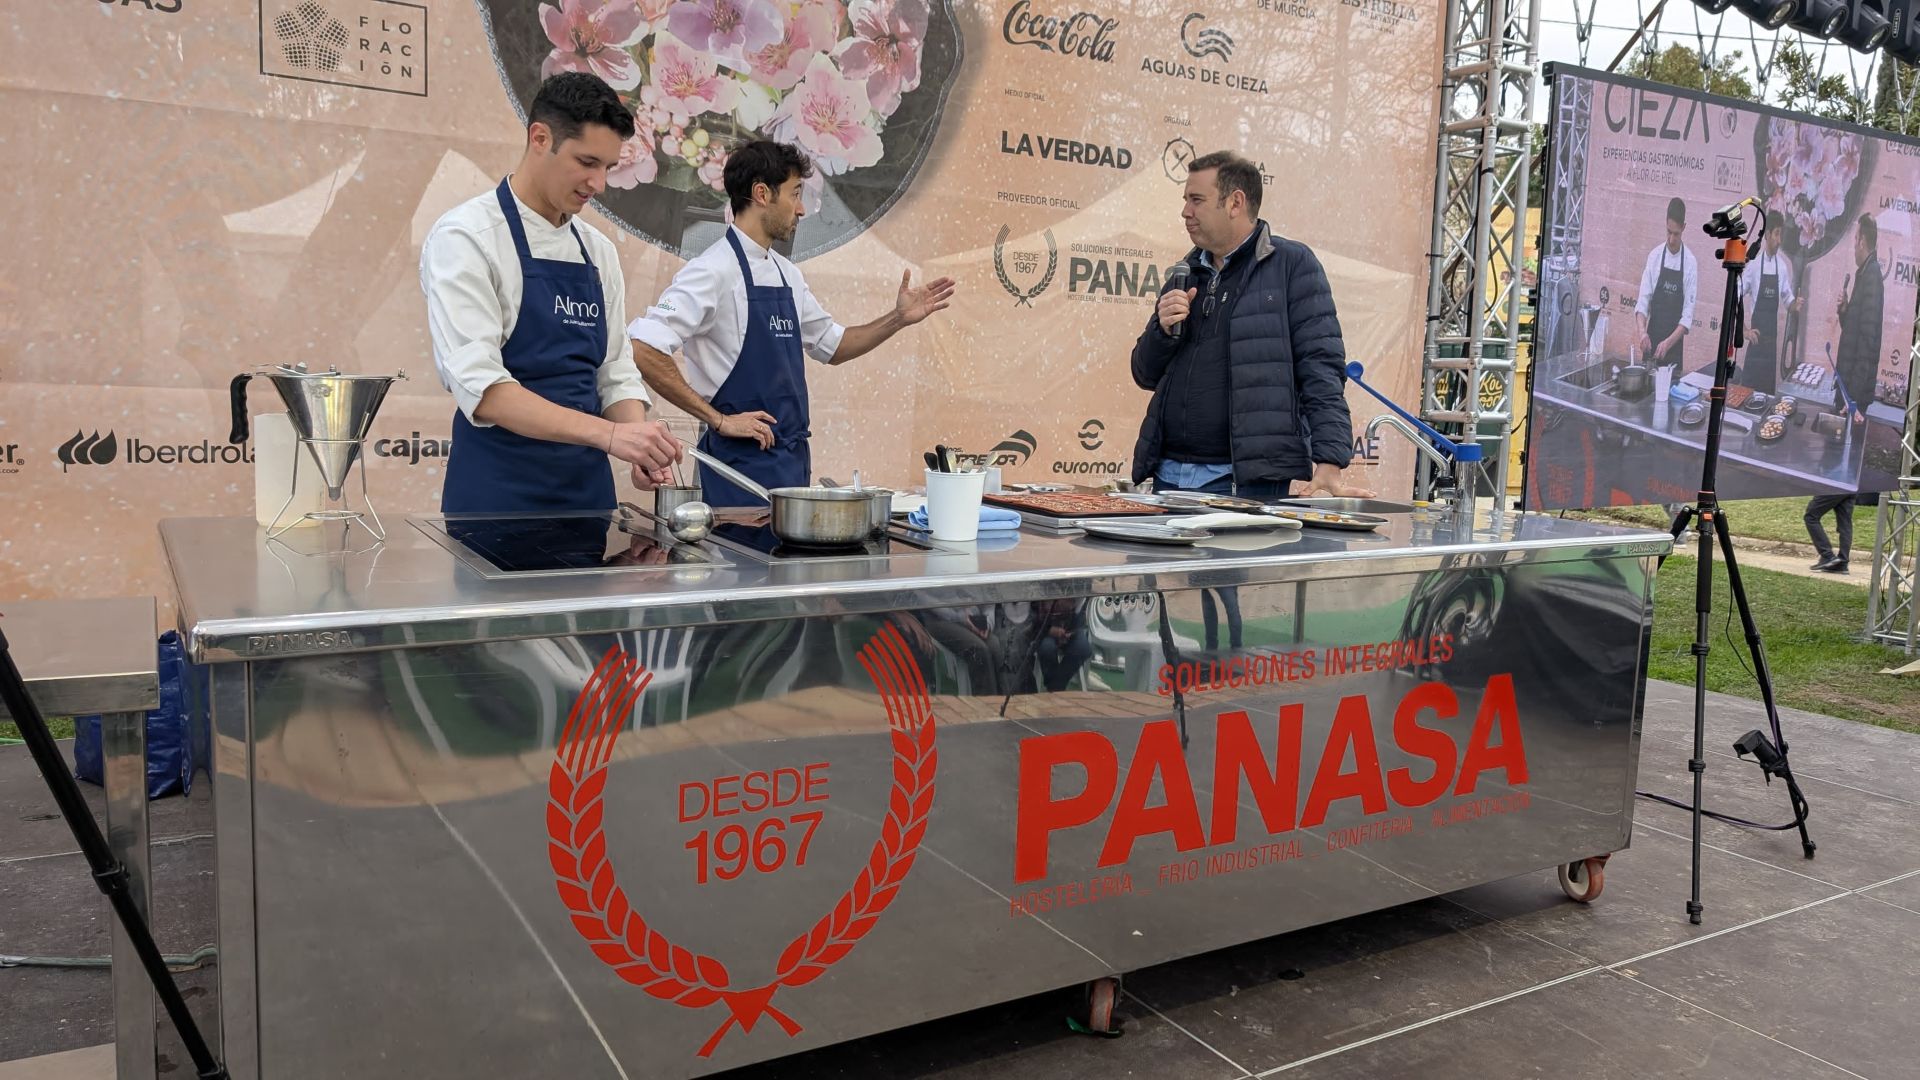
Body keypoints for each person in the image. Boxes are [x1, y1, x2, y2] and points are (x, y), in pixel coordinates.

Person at [629, 141, 956, 506]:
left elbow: (834, 346)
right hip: (737, 470)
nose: (801, 209)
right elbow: (644, 348)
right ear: (761, 193)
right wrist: (719, 420)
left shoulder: (787, 275)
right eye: (795, 194)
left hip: (792, 466)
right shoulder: (711, 271)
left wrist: (898, 319)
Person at [421, 72, 682, 514]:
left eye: (607, 167)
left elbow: (614, 370)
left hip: (587, 499)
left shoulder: (597, 251)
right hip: (496, 501)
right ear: (540, 138)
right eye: (586, 162)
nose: (598, 184)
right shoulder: (467, 237)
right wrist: (612, 436)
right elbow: (483, 388)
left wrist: (639, 443)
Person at [1129, 151, 1371, 500]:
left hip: (1245, 485)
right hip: (1168, 477)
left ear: (1235, 202)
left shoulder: (1291, 265)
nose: (1186, 211)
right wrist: (1162, 332)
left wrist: (1330, 461)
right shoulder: (1185, 272)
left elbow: (1321, 368)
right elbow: (1144, 374)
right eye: (1185, 200)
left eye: (1197, 200)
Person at [1736, 210, 1801, 394]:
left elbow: (1788, 300)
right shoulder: (1754, 265)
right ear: (1767, 235)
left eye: (1781, 234)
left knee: (1766, 401)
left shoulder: (1782, 267)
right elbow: (1736, 296)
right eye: (1777, 234)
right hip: (1755, 350)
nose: (1779, 240)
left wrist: (1795, 305)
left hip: (1771, 350)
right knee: (1745, 397)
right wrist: (1745, 331)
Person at [1635, 196, 1699, 374]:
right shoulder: (1654, 256)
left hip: (1674, 353)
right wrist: (1642, 332)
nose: (1671, 239)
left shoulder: (1690, 263)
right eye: (1668, 232)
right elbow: (1643, 302)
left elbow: (1687, 318)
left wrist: (1668, 344)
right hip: (1651, 346)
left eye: (1676, 234)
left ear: (1684, 228)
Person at [1833, 214, 1883, 427]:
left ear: (1862, 241)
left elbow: (1867, 344)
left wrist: (1851, 398)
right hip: (1847, 388)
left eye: (1855, 238)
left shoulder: (1872, 278)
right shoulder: (1863, 273)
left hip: (1852, 396)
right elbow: (1853, 330)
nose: (1853, 244)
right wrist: (1845, 311)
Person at [1805, 492, 1857, 574]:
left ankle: (1827, 556)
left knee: (1811, 517)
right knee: (1845, 523)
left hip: (1833, 486)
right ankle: (1842, 563)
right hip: (1851, 486)